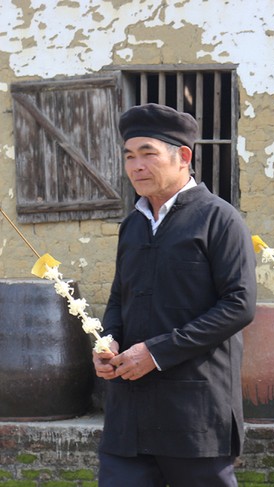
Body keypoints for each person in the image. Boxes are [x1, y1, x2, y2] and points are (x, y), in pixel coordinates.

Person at [92, 103, 257, 487]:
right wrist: (108, 340)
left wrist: (156, 352)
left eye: (147, 153)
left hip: (194, 413)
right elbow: (120, 297)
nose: (136, 166)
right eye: (129, 156)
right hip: (129, 414)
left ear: (184, 156)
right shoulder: (132, 225)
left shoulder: (220, 219)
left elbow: (239, 305)